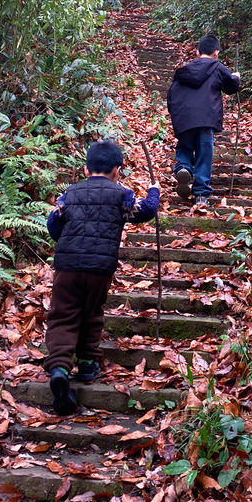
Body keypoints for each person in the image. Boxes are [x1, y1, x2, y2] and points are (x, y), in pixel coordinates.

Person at [44, 140, 160, 415]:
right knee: (91, 312)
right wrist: (154, 192)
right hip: (100, 267)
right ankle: (86, 364)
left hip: (67, 265)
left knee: (63, 314)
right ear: (117, 170)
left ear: (85, 169)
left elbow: (53, 225)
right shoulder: (122, 195)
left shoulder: (70, 193)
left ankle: (59, 367)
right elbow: (145, 211)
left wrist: (66, 238)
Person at [167, 34, 240, 206]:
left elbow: (171, 94)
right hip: (206, 119)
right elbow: (231, 87)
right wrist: (236, 77)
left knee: (184, 147)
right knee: (204, 153)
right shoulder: (217, 67)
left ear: (198, 51)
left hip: (184, 118)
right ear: (216, 52)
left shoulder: (184, 70)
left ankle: (183, 168)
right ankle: (200, 195)